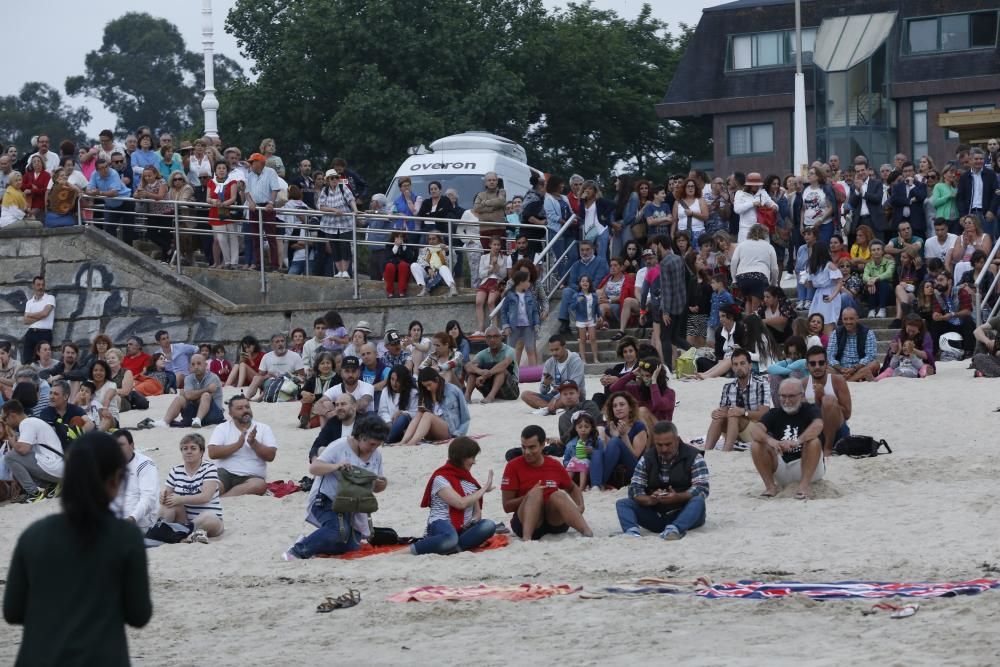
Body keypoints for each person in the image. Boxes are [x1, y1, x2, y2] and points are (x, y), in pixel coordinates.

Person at [3, 431, 151, 666]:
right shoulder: (125, 538)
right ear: (116, 480)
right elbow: (139, 614)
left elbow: (12, 612)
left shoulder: (33, 536)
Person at [283, 415, 389, 559]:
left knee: (352, 545)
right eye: (371, 444)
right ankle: (296, 551)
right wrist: (336, 466)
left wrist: (382, 484)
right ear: (361, 437)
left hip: (352, 507)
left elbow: (376, 488)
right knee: (338, 531)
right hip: (325, 500)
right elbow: (314, 468)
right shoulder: (339, 446)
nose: (374, 448)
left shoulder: (376, 455)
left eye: (378, 444)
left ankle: (310, 542)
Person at [615, 420, 708, 539]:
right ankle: (632, 532)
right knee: (623, 504)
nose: (664, 449)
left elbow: (702, 488)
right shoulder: (647, 458)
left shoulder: (694, 456)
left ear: (677, 440)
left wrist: (677, 497)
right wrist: (650, 499)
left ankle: (675, 529)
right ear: (654, 442)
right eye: (659, 445)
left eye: (668, 444)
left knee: (698, 501)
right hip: (656, 514)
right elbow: (634, 489)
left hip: (684, 511)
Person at [501, 424, 593, 540]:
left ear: (542, 445)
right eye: (524, 447)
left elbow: (572, 487)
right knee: (535, 494)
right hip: (527, 522)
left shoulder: (554, 465)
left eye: (532, 447)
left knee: (558, 495)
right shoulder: (513, 466)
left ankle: (588, 533)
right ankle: (527, 540)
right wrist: (527, 496)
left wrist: (581, 505)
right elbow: (507, 506)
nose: (527, 452)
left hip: (554, 522)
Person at [412, 436, 497, 555]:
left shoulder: (470, 482)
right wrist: (484, 488)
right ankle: (409, 550)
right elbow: (460, 503)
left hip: (462, 529)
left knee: (488, 525)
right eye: (471, 457)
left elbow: (477, 513)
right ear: (461, 457)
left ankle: (449, 547)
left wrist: (472, 521)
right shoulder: (440, 478)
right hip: (441, 524)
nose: (474, 461)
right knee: (450, 537)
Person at [207, 395, 278, 497]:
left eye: (247, 407)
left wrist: (254, 443)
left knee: (259, 486)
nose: (245, 410)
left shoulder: (264, 428)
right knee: (211, 487)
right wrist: (237, 445)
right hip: (224, 473)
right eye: (240, 408)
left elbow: (271, 456)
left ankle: (223, 498)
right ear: (230, 414)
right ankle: (222, 496)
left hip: (252, 476)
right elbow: (212, 453)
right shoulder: (222, 428)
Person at [704, 349, 772, 452]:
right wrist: (717, 413)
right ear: (732, 368)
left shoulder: (761, 384)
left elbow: (764, 414)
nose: (739, 367)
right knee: (719, 416)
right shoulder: (728, 387)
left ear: (750, 366)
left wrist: (743, 412)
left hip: (756, 429)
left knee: (734, 414)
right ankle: (706, 451)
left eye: (742, 363)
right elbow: (724, 410)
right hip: (733, 429)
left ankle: (726, 452)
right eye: (735, 364)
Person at [160, 433, 225, 539]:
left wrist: (181, 499)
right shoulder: (176, 470)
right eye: (185, 448)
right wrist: (163, 497)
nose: (188, 451)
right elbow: (169, 497)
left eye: (193, 448)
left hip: (207, 522)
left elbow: (206, 497)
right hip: (183, 520)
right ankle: (159, 530)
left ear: (201, 452)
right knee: (167, 505)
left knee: (209, 517)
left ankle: (181, 533)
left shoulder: (209, 468)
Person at [1, 399, 64, 503]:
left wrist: (13, 443)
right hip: (57, 467)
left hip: (53, 467)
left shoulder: (26, 423)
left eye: (4, 418)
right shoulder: (32, 421)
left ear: (12, 415)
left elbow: (23, 450)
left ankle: (34, 493)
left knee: (9, 457)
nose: (5, 422)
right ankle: (51, 485)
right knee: (16, 458)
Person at [398, 367, 471, 446]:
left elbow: (466, 417)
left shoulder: (453, 390)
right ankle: (404, 441)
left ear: (436, 379)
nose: (428, 388)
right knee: (420, 413)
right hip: (430, 432)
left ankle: (412, 442)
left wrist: (458, 434)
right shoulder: (426, 393)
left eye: (429, 385)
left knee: (427, 415)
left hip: (450, 430)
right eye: (425, 386)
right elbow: (417, 418)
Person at [802, 346, 852, 456]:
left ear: (826, 364)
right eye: (813, 364)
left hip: (838, 432)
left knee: (828, 401)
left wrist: (823, 397)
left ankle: (828, 449)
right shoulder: (804, 383)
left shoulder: (837, 381)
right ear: (807, 366)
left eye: (821, 363)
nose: (817, 367)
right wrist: (817, 400)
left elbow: (847, 414)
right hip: (815, 433)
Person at [150, 354, 224, 429]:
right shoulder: (188, 378)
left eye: (199, 363)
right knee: (180, 398)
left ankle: (198, 420)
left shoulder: (213, 378)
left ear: (205, 365)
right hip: (194, 413)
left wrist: (190, 395)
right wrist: (207, 389)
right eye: (193, 364)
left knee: (206, 395)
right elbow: (189, 396)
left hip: (213, 414)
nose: (196, 367)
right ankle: (165, 422)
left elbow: (200, 398)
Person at [521, 335, 587, 415]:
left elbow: (574, 385)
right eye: (551, 350)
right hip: (554, 394)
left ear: (564, 347)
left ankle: (548, 408)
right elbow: (543, 391)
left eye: (556, 349)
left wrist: (555, 398)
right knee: (525, 395)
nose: (554, 353)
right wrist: (545, 384)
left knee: (569, 395)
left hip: (572, 394)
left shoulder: (576, 361)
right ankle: (553, 409)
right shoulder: (549, 363)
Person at [556, 240, 609, 335]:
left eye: (587, 250)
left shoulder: (601, 262)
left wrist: (585, 289)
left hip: (594, 291)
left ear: (593, 249)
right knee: (567, 291)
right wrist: (581, 290)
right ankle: (564, 322)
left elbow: (597, 281)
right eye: (582, 250)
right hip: (579, 291)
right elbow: (571, 282)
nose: (584, 253)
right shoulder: (576, 264)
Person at [654, 234, 690, 371]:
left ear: (660, 245)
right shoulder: (679, 259)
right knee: (675, 337)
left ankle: (668, 367)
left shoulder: (664, 263)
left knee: (665, 338)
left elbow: (666, 289)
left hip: (669, 306)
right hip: (681, 304)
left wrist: (665, 311)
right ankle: (693, 351)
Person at [111, 430, 159, 531]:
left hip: (141, 522)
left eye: (121, 445)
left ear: (132, 445)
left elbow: (148, 499)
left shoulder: (145, 464)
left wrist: (132, 518)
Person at [609, 357, 676, 423]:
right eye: (643, 375)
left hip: (661, 430)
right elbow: (614, 389)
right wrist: (632, 374)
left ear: (657, 376)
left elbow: (658, 404)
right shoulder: (639, 389)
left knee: (642, 410)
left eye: (648, 376)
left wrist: (653, 382)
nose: (645, 379)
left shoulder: (669, 393)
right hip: (643, 429)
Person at [464, 326, 519, 404]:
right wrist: (480, 372)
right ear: (485, 340)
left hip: (510, 390)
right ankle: (467, 397)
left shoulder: (510, 350)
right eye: (489, 337)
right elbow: (468, 366)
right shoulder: (483, 353)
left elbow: (505, 364)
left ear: (501, 338)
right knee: (473, 370)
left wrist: (485, 375)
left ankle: (491, 397)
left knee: (501, 369)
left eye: (495, 336)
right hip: (489, 388)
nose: (492, 340)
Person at [245, 333, 305, 402]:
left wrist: (287, 376)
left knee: (274, 382)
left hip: (288, 383)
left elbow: (302, 376)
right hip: (270, 381)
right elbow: (260, 375)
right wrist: (268, 375)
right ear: (272, 345)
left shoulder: (295, 356)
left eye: (282, 341)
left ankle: (260, 398)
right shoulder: (267, 356)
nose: (280, 344)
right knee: (257, 378)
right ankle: (247, 398)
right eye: (277, 342)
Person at [314, 355, 375, 423]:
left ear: (359, 372)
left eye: (353, 371)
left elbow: (363, 403)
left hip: (363, 424)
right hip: (343, 423)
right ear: (341, 373)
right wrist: (327, 413)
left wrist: (336, 412)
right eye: (347, 371)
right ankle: (325, 433)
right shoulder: (336, 388)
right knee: (326, 404)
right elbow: (317, 404)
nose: (350, 374)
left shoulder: (368, 386)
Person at [500, 269, 542, 366]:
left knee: (530, 349)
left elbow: (535, 311)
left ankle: (533, 373)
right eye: (527, 281)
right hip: (513, 327)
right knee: (510, 351)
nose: (529, 283)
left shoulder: (530, 295)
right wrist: (506, 326)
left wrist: (536, 323)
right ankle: (511, 373)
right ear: (521, 282)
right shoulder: (510, 295)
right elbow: (503, 311)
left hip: (528, 326)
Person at [40, 379, 94, 451]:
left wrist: (76, 435)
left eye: (55, 394)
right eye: (50, 393)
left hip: (74, 448)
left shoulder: (74, 409)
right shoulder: (45, 412)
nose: (51, 397)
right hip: (54, 449)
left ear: (65, 396)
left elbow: (90, 424)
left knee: (77, 419)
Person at [827, 308, 879, 381]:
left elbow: (871, 355)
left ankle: (847, 380)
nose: (848, 322)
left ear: (857, 319)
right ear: (842, 319)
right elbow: (830, 356)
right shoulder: (836, 333)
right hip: (841, 370)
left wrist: (854, 368)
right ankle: (853, 378)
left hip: (859, 369)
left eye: (851, 319)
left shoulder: (868, 332)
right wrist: (841, 369)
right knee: (825, 367)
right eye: (845, 319)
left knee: (875, 364)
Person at [592, 336, 640, 410]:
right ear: (622, 353)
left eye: (631, 351)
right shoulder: (618, 367)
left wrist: (618, 380)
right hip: (612, 395)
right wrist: (604, 380)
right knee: (597, 396)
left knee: (609, 372)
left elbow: (635, 381)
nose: (628, 354)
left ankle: (610, 405)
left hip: (629, 396)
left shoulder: (639, 366)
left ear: (636, 352)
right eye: (625, 352)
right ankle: (595, 419)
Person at [309, 394, 358, 461]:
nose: (339, 408)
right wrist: (315, 461)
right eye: (337, 405)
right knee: (321, 450)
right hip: (337, 465)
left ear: (354, 406)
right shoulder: (333, 422)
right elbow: (316, 447)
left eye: (343, 404)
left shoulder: (364, 422)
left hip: (360, 464)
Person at [378, 365, 419, 445]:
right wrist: (389, 422)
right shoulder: (386, 391)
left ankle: (387, 440)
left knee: (402, 418)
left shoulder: (413, 392)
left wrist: (403, 412)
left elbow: (416, 413)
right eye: (392, 379)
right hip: (388, 425)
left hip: (406, 428)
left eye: (398, 380)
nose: (394, 383)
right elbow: (382, 411)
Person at [807, 241, 842, 332]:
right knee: (815, 318)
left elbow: (839, 282)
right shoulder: (814, 266)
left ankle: (829, 341)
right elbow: (811, 284)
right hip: (818, 294)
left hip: (829, 293)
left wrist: (832, 296)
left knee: (827, 319)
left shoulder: (829, 265)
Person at [412, 232, 459, 297]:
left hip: (443, 275)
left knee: (443, 267)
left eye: (434, 239)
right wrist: (428, 269)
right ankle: (424, 288)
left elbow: (454, 261)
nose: (431, 241)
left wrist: (447, 251)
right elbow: (420, 261)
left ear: (439, 239)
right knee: (414, 265)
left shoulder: (446, 248)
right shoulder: (425, 249)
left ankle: (452, 288)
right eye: (429, 239)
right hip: (429, 275)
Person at [861, 241, 895, 318]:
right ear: (871, 252)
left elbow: (889, 274)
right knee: (869, 285)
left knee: (882, 283)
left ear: (882, 251)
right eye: (873, 250)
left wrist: (875, 279)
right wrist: (871, 281)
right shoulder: (868, 265)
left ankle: (882, 308)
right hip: (873, 293)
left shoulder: (890, 262)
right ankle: (871, 309)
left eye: (878, 249)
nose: (876, 251)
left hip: (888, 294)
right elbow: (864, 277)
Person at [573, 275, 601, 364]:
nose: (585, 283)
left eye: (587, 281)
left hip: (591, 319)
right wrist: (577, 301)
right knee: (582, 340)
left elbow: (596, 307)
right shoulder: (576, 295)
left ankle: (595, 358)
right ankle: (583, 359)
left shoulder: (593, 295)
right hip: (581, 320)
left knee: (593, 338)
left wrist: (599, 315)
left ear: (590, 283)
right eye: (583, 281)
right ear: (580, 283)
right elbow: (571, 307)